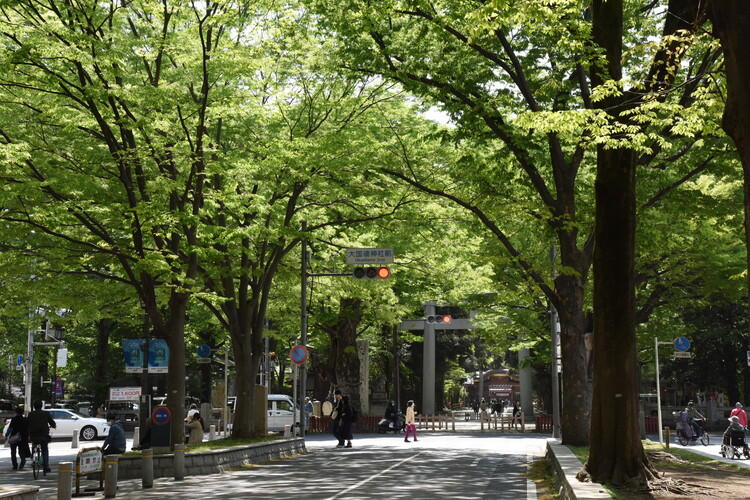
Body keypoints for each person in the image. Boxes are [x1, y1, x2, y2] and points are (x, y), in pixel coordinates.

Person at [27, 400, 56, 472]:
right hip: (43, 435)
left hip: (33, 435)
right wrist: (53, 425)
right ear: (41, 406)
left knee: (34, 444)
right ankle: (46, 466)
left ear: (34, 407)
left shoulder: (31, 414)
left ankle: (33, 457)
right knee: (45, 450)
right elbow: (51, 422)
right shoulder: (45, 413)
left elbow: (27, 424)